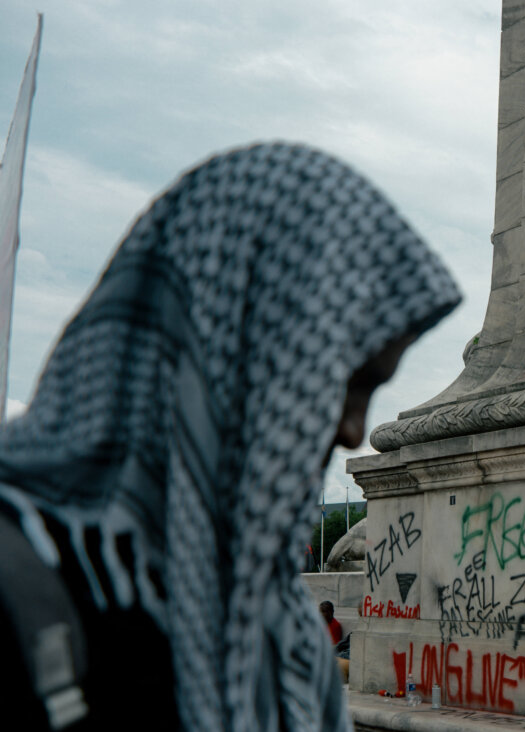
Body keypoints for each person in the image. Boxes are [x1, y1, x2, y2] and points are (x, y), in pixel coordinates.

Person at [0, 143, 460, 731]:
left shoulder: (284, 631)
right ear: (235, 355)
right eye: (343, 383)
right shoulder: (23, 581)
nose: (352, 431)